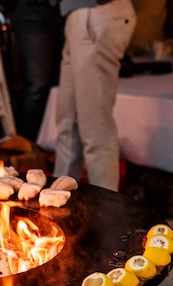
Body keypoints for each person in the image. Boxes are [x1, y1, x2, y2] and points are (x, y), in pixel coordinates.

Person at [53, 0, 136, 191]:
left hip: (97, 14)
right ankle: (58, 210)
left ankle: (106, 215)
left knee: (96, 130)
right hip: (78, 15)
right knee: (67, 127)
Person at [11, 0, 63, 142]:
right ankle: (28, 144)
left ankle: (50, 143)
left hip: (68, 12)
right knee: (37, 86)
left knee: (60, 84)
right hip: (34, 9)